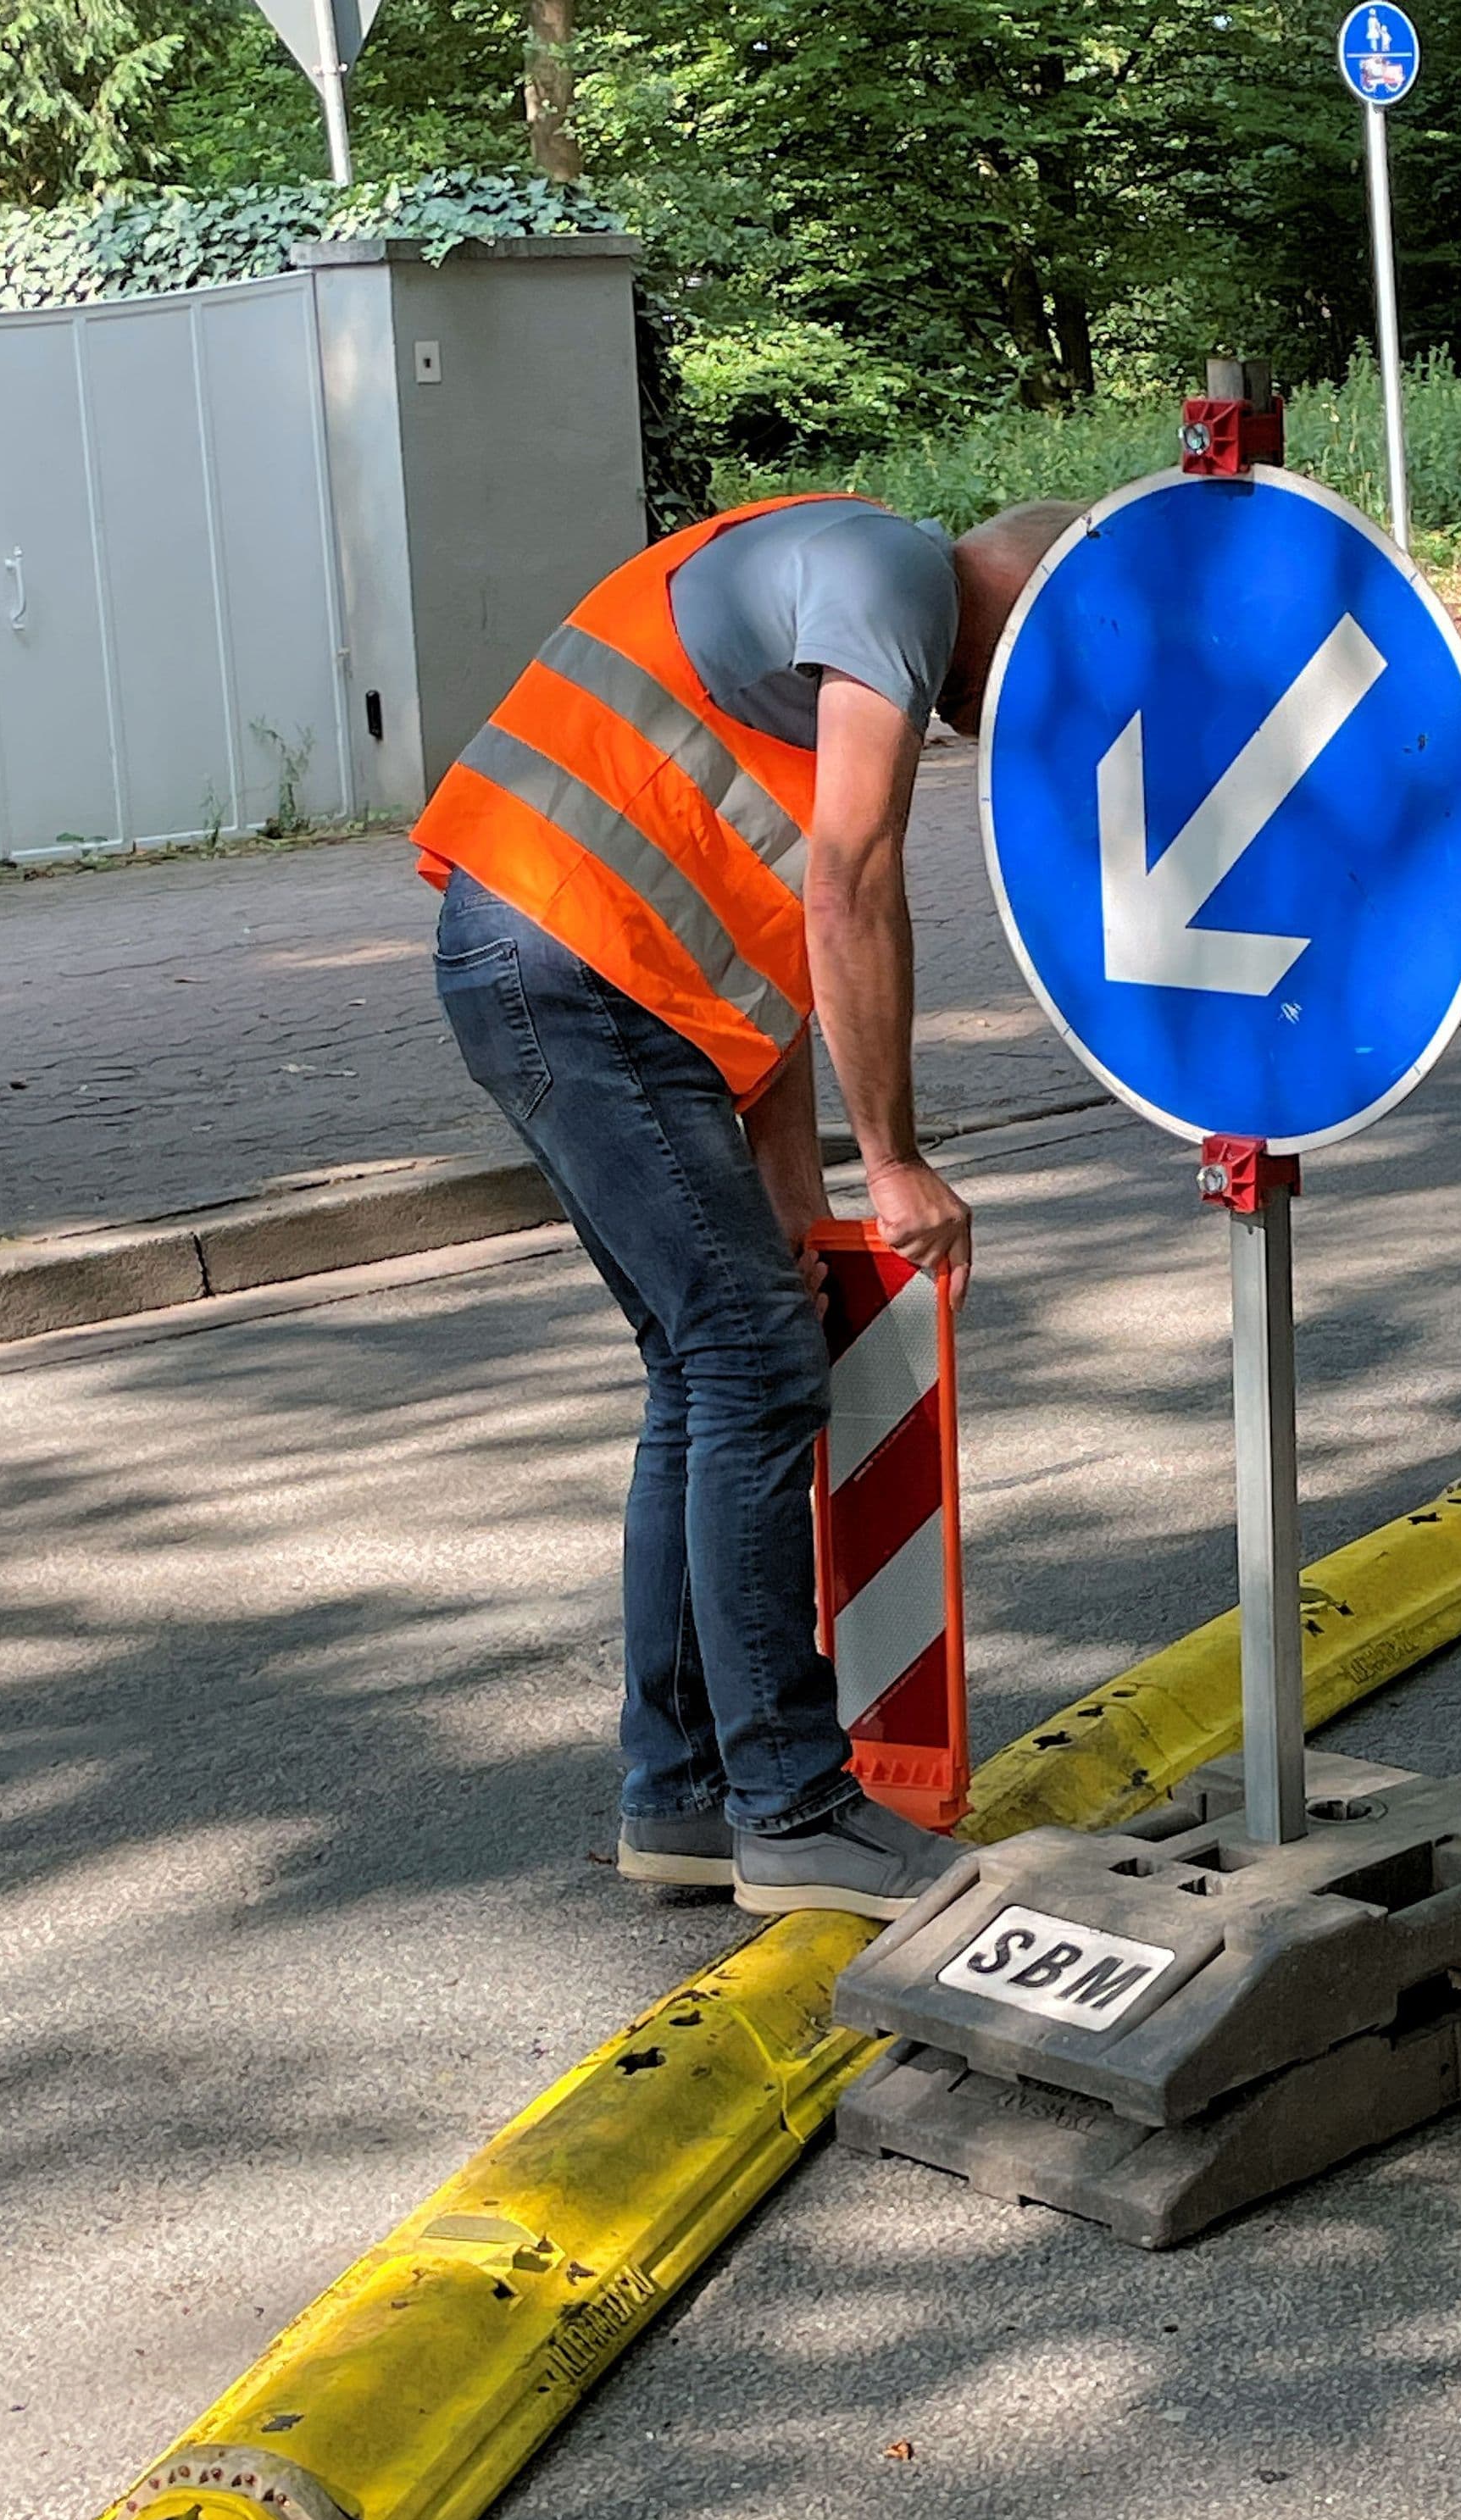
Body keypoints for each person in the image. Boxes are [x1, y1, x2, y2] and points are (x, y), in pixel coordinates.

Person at [414, 490, 1080, 1922]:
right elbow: (849, 887)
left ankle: (685, 1802)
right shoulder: (896, 583)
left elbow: (757, 921)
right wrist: (892, 1158)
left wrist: (797, 1178)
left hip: (562, 962)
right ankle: (794, 1806)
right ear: (1014, 605)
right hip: (570, 969)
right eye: (1036, 668)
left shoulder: (828, 604)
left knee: (704, 1365)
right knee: (755, 1365)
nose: (1014, 710)